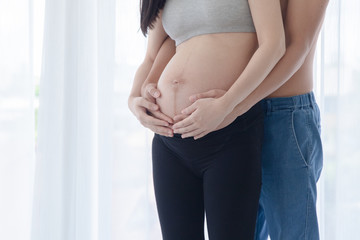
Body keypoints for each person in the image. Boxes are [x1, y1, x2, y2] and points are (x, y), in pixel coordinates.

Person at [131, 0, 330, 239]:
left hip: (279, 113)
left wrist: (233, 106)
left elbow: (294, 46)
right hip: (210, 121)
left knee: (292, 233)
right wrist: (139, 97)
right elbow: (171, 44)